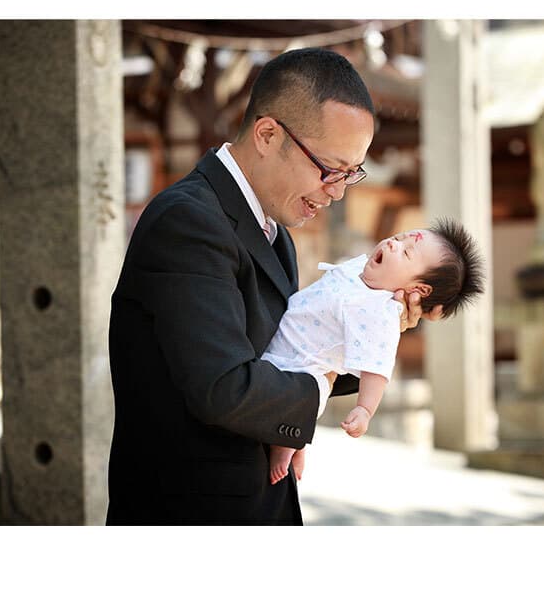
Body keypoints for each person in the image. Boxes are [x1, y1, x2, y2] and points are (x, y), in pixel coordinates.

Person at [106, 48, 439, 525]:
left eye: (352, 173)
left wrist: (373, 336)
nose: (338, 190)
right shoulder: (189, 221)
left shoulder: (273, 229)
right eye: (330, 169)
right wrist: (323, 385)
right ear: (267, 134)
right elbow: (225, 388)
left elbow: (285, 352)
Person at [264, 220, 484, 484]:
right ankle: (295, 442)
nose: (393, 243)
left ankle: (286, 446)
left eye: (405, 253)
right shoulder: (361, 269)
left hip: (302, 365)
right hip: (286, 338)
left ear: (418, 290)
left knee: (293, 403)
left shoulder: (381, 312)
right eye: (400, 237)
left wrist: (365, 410)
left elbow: (377, 367)